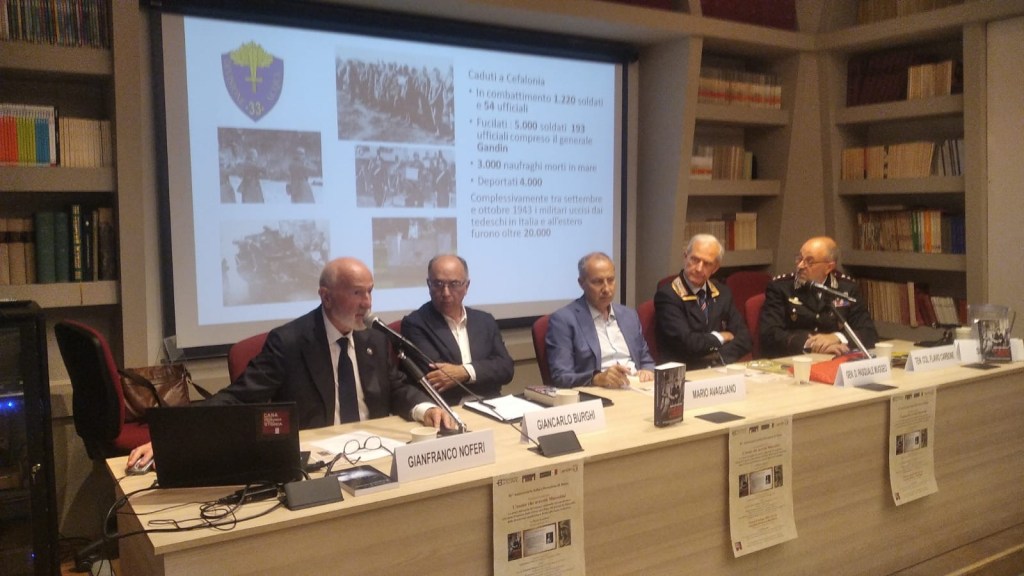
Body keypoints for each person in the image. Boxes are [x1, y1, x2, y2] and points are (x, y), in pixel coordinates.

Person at [127, 257, 452, 469]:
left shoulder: (373, 338)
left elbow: (396, 386)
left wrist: (425, 409)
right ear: (326, 296)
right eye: (357, 293)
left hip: (377, 453)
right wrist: (173, 438)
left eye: (369, 292)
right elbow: (239, 398)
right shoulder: (290, 343)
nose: (367, 304)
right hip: (319, 462)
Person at [401, 254, 514, 404]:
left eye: (454, 284)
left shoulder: (485, 321)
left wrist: (464, 372)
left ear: (466, 286)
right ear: (429, 285)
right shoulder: (415, 324)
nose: (446, 293)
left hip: (492, 403)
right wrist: (484, 373)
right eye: (438, 284)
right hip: (448, 407)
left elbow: (506, 369)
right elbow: (436, 379)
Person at [545, 252, 656, 389]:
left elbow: (646, 360)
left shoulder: (629, 315)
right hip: (599, 391)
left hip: (636, 388)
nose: (607, 289)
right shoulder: (564, 320)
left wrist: (647, 370)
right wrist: (596, 378)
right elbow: (561, 377)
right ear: (581, 283)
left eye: (611, 280)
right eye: (598, 282)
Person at [759, 236, 878, 358]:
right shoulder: (781, 287)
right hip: (798, 358)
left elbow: (869, 333)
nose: (800, 266)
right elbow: (770, 334)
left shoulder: (846, 288)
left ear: (829, 267)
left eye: (809, 262)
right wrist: (811, 344)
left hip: (836, 357)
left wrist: (837, 337)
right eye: (799, 259)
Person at [654, 234, 751, 369]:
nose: (699, 268)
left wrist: (718, 357)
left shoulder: (723, 293)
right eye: (695, 259)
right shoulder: (668, 295)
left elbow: (744, 337)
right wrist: (720, 337)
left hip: (720, 368)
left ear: (715, 268)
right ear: (685, 257)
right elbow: (689, 343)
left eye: (707, 263)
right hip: (685, 372)